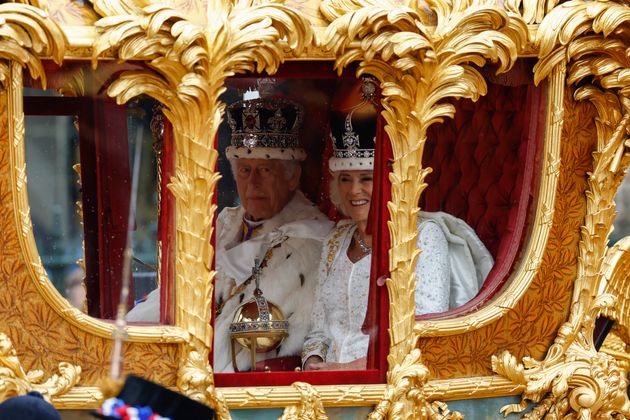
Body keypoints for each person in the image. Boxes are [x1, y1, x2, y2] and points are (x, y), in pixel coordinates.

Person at [302, 77, 494, 371]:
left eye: (366, 179)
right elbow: (317, 331)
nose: (354, 191)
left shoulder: (422, 235)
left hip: (389, 387)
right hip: (327, 385)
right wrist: (313, 362)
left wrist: (349, 370)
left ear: (388, 181)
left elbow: (422, 334)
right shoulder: (336, 240)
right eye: (346, 179)